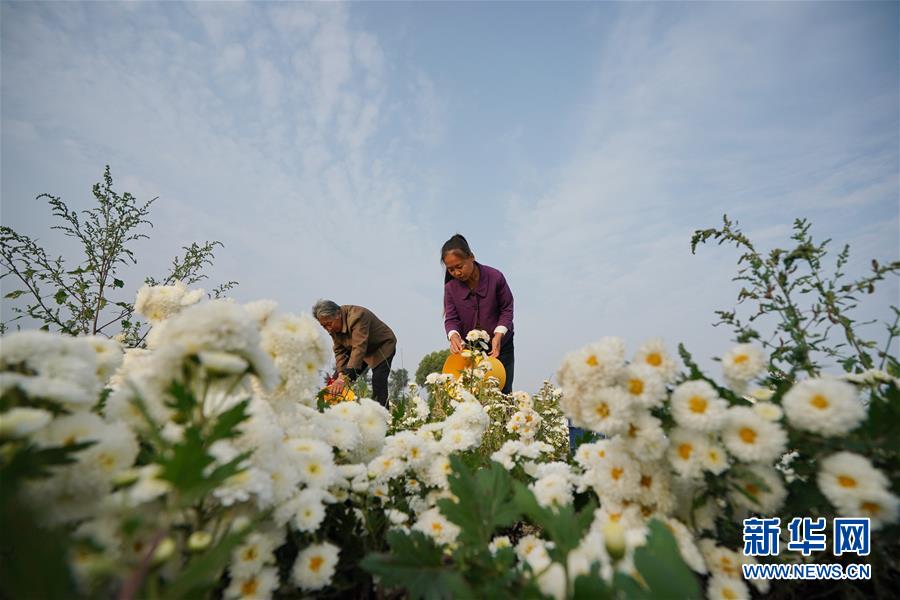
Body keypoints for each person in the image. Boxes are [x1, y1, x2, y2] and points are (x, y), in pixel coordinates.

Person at [441, 234, 515, 393]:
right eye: (451, 269)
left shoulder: (495, 277)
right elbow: (451, 318)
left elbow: (507, 309)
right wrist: (453, 336)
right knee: (475, 394)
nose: (456, 273)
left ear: (471, 257)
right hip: (472, 350)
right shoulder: (450, 288)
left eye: (459, 266)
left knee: (503, 393)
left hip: (501, 346)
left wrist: (498, 335)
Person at [313, 299, 397, 407]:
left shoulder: (358, 316)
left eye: (329, 324)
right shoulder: (333, 327)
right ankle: (332, 412)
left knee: (378, 380)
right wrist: (341, 375)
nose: (328, 330)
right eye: (324, 326)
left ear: (338, 314)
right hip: (358, 350)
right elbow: (340, 351)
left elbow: (359, 347)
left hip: (380, 346)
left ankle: (381, 417)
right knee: (335, 382)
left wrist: (343, 378)